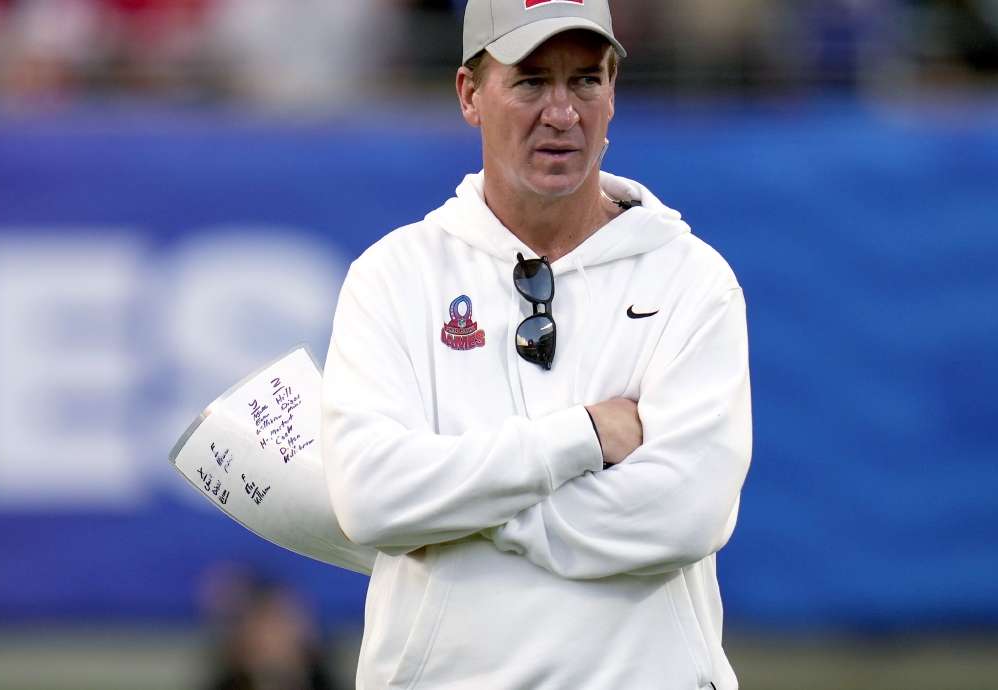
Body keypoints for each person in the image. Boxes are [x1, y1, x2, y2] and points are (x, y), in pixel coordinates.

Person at [320, 1, 752, 687]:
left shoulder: (692, 279)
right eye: (530, 81)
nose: (562, 112)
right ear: (470, 94)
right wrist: (581, 437)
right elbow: (372, 499)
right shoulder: (393, 277)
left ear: (613, 90)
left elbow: (682, 514)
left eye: (585, 79)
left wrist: (458, 510)